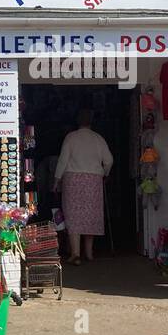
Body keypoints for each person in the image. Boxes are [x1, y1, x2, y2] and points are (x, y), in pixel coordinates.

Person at [53, 108, 113, 265]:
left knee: (73, 215)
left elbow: (63, 160)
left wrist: (57, 180)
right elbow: (109, 160)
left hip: (73, 179)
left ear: (77, 121)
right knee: (90, 216)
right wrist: (105, 174)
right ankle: (89, 252)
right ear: (91, 122)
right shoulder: (98, 138)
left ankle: (75, 253)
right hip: (93, 180)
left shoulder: (71, 137)